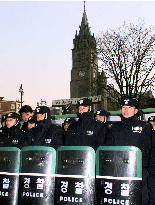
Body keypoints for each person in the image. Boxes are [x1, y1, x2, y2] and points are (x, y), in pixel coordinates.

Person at [106, 98, 152, 205]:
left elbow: (147, 148)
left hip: (137, 169)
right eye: (123, 107)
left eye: (129, 107)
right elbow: (109, 147)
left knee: (139, 197)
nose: (126, 110)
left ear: (136, 111)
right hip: (118, 170)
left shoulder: (144, 126)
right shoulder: (114, 127)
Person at [148, 116, 155, 205]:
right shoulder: (145, 135)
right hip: (148, 168)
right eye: (150, 124)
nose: (152, 126)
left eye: (154, 124)